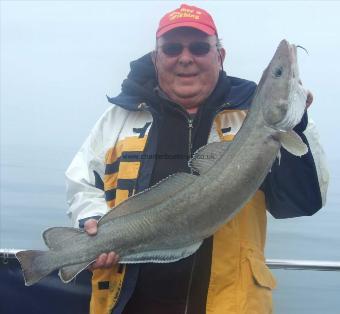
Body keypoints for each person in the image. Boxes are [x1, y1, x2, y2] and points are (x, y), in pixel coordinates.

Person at [65, 4, 328, 314]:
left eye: (200, 47)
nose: (185, 58)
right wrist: (93, 221)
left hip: (232, 304)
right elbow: (82, 181)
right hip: (129, 302)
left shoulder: (254, 118)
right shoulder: (118, 119)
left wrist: (298, 123)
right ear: (156, 57)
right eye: (173, 48)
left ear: (220, 56)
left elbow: (301, 202)